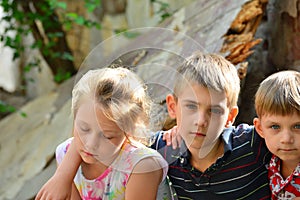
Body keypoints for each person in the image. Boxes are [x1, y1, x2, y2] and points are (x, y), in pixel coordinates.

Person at [36, 52, 272, 199]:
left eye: (214, 110)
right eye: (191, 107)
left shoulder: (253, 142)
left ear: (231, 116)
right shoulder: (163, 146)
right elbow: (98, 135)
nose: (201, 121)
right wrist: (62, 176)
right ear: (173, 107)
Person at [35, 66, 170, 200]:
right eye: (84, 128)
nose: (91, 144)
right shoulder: (65, 154)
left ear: (128, 131)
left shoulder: (142, 166)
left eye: (106, 136)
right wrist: (63, 176)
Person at [253, 70, 300, 199]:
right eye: (275, 127)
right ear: (260, 128)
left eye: (298, 126)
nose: (286, 139)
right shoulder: (267, 162)